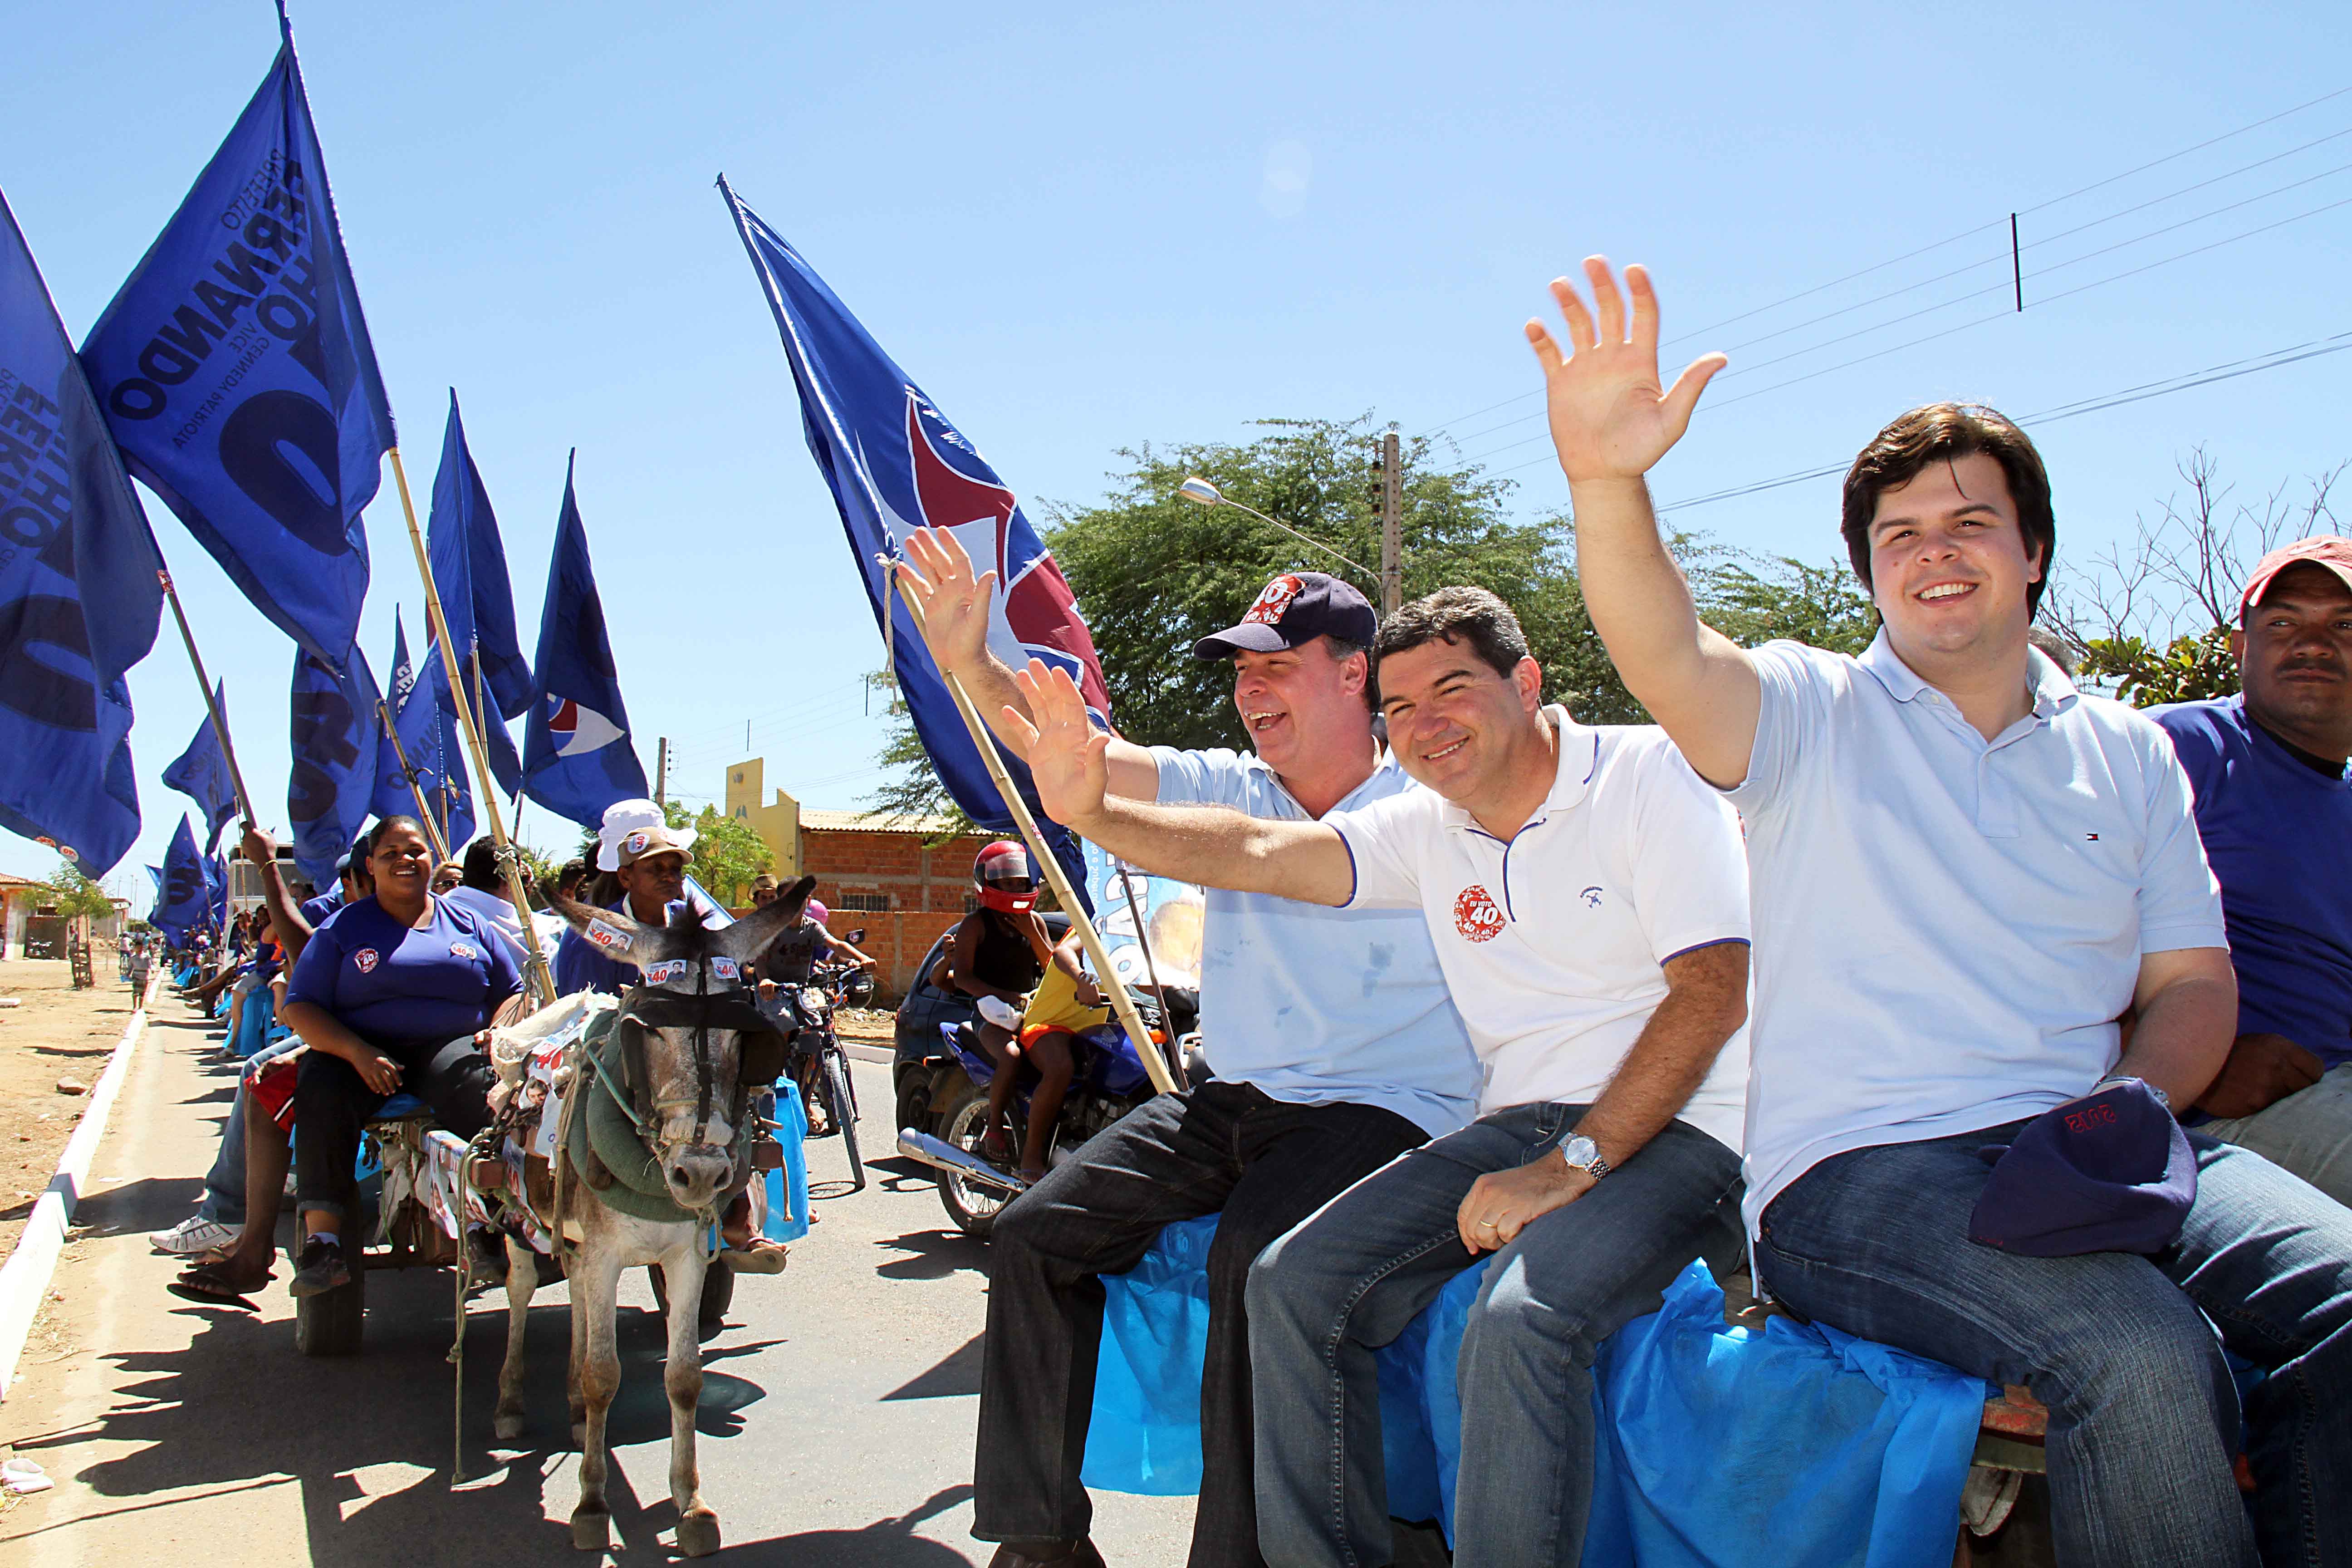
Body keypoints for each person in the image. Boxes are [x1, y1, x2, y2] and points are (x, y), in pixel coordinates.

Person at [1534, 256, 2352, 1567]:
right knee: (2141, 1355)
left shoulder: (2129, 749)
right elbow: (1667, 652)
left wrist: (2132, 1103)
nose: (1934, 551)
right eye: (1899, 534)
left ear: (2032, 552)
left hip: (2096, 1144)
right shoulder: (1808, 712)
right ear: (1869, 573)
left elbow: (2195, 983)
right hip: (1863, 1177)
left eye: (1971, 521)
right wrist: (1606, 482)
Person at [1010, 585, 1751, 1568]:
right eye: (1403, 709)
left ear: (1525, 682)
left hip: (1681, 1124)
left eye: (1451, 690)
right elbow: (1265, 852)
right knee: (1291, 1286)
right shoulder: (1430, 823)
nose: (1424, 725)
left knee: (1516, 1321)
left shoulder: (1646, 775)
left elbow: (1711, 992)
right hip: (1510, 1121)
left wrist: (1574, 1161)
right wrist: (1091, 812)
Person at [896, 527, 1480, 1568]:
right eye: (1241, 671)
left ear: (1354, 673)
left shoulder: (1430, 808)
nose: (1252, 691)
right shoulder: (1230, 780)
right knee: (1032, 1235)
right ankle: (1040, 1539)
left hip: (1382, 1108)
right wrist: (969, 659)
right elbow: (1079, 758)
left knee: (1249, 1263)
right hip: (1230, 1099)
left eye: (1277, 666)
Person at [2152, 537, 2352, 1203]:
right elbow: (2034, 919)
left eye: (2344, 625)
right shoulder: (2171, 750)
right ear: (2242, 651)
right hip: (2214, 1122)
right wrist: (2196, 1069)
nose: (2315, 643)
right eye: (2284, 622)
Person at [279, 815, 522, 1295]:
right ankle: (323, 1244)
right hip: (360, 1052)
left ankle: (482, 1225)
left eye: (416, 851)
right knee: (320, 1086)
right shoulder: (343, 928)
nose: (406, 860)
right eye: (391, 853)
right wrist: (357, 1051)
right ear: (370, 865)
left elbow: (512, 990)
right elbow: (300, 1007)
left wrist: (500, 1031)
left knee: (482, 1086)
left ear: (432, 861)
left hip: (450, 1046)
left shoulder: (469, 923)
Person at [550, 799, 788, 1275]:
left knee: (762, 1084)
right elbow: (579, 998)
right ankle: (577, 1178)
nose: (669, 876)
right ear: (625, 876)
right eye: (654, 867)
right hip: (625, 1035)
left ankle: (744, 1209)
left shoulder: (701, 923)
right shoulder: (593, 934)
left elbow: (728, 973)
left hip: (695, 1041)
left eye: (674, 866)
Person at [151, 835, 372, 1265]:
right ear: (355, 880)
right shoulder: (327, 915)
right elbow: (301, 962)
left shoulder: (433, 916)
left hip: (398, 1041)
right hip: (338, 1032)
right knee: (262, 1071)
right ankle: (229, 1212)